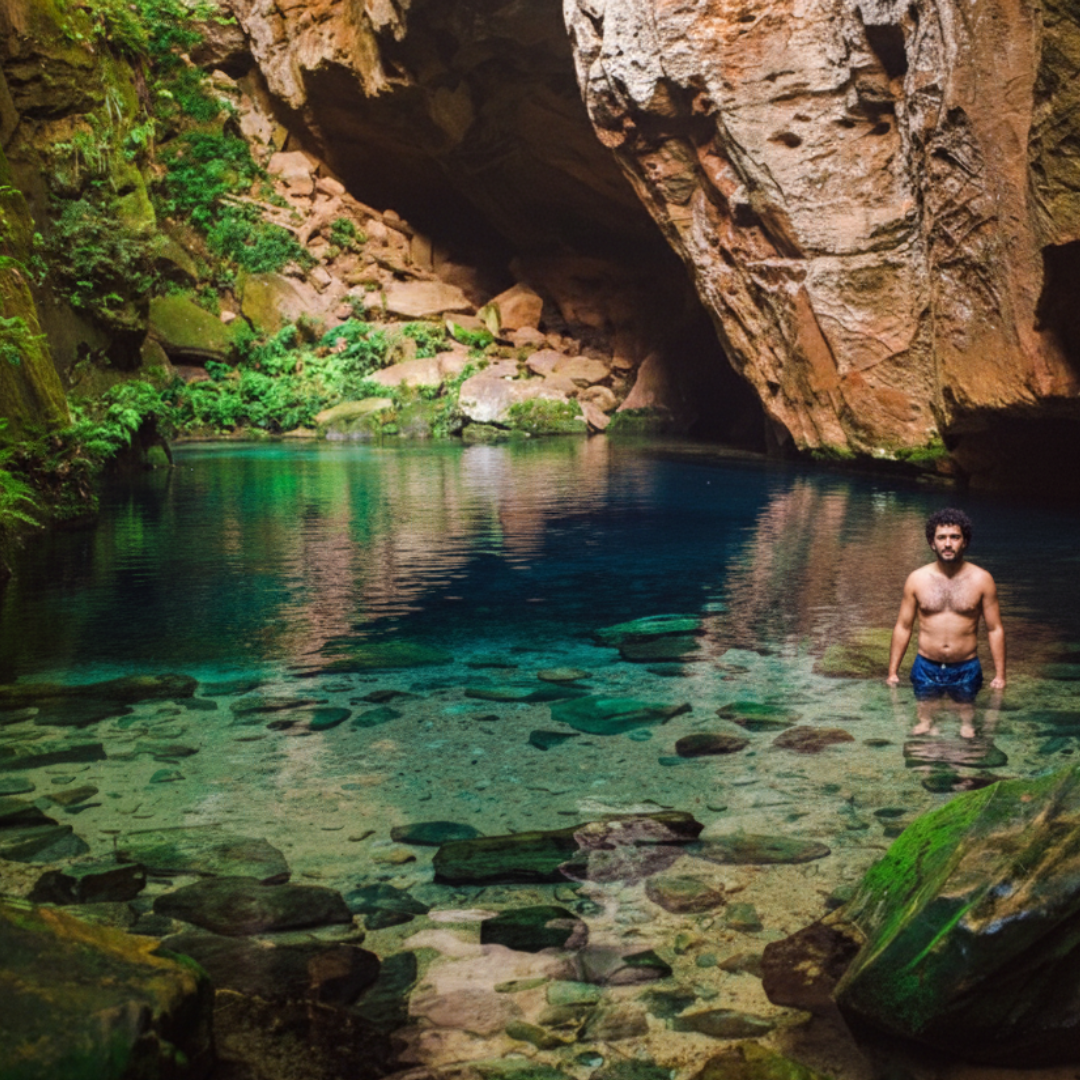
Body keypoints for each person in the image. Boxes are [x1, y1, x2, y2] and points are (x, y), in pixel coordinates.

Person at [886, 509, 1005, 734]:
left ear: (965, 541)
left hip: (966, 666)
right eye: (941, 538)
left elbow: (995, 628)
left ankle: (966, 743)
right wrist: (892, 671)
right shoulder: (917, 579)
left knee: (968, 729)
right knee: (923, 726)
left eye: (954, 537)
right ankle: (928, 736)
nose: (948, 543)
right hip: (926, 665)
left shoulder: (982, 580)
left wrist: (1000, 675)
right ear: (932, 543)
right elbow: (903, 626)